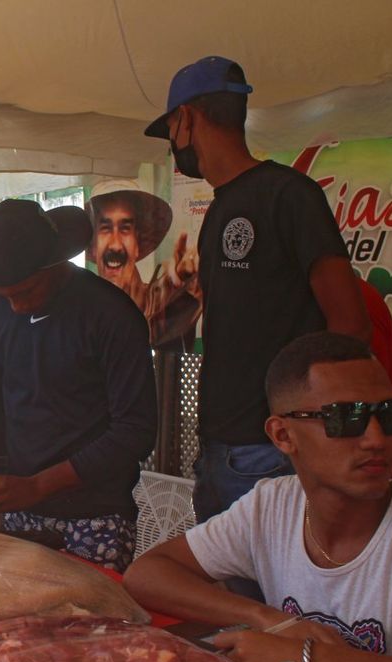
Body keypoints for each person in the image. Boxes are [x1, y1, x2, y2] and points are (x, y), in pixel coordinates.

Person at [144, 56, 371, 521]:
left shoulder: (289, 195)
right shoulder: (221, 208)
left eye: (170, 129)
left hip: (273, 453)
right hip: (221, 449)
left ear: (185, 118)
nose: (172, 145)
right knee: (226, 590)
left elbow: (350, 327)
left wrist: (303, 429)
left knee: (274, 593)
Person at [124, 332, 392, 662]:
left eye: (388, 415)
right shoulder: (273, 505)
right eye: (345, 418)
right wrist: (269, 619)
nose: (376, 439)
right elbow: (146, 574)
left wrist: (306, 660)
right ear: (283, 435)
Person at [0, 199, 158, 572]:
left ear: (54, 264)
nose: (17, 307)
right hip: (21, 511)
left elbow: (135, 432)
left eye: (24, 292)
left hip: (95, 518)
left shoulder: (111, 315)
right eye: (4, 296)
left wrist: (40, 484)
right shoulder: (1, 308)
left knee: (86, 629)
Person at [87, 181, 200, 350]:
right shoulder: (84, 312)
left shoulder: (165, 302)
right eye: (105, 228)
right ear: (94, 246)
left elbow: (162, 314)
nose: (116, 245)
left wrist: (179, 282)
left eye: (125, 229)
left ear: (137, 244)